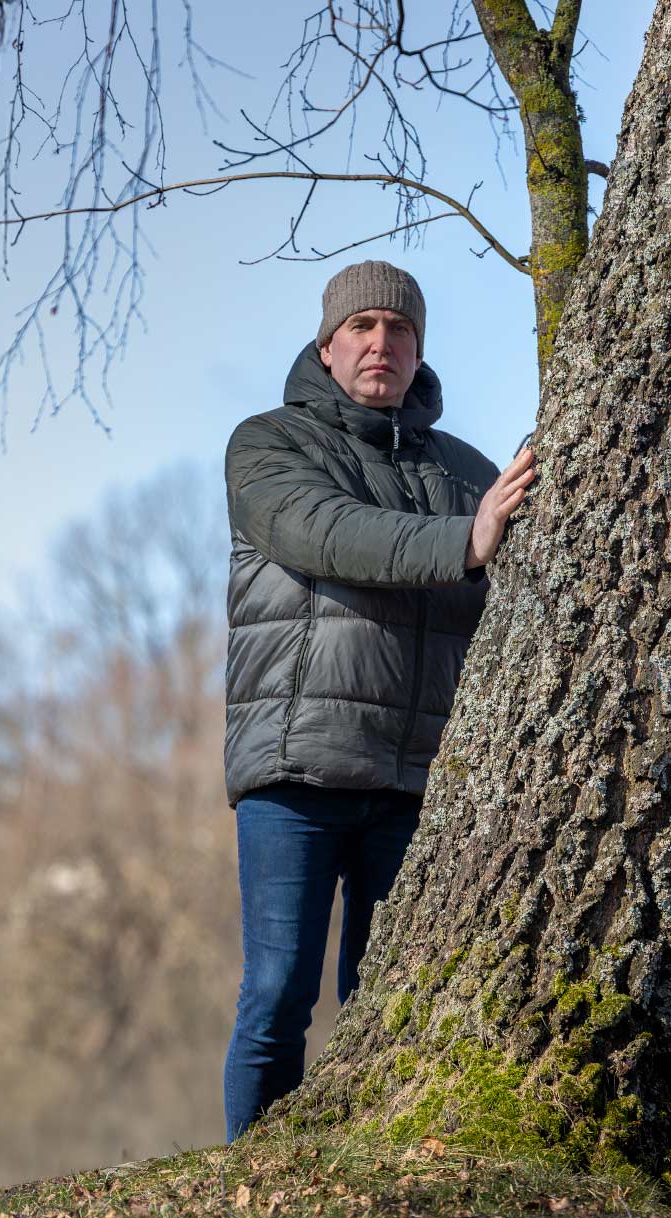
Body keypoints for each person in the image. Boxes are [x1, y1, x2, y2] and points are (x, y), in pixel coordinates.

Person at [219, 260, 537, 1141]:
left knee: (385, 998)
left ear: (419, 350)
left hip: (415, 781)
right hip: (298, 768)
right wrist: (468, 539)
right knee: (281, 987)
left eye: (398, 330)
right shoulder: (267, 446)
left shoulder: (467, 469)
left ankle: (354, 1176)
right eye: (360, 327)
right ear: (326, 347)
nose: (380, 343)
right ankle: (251, 1179)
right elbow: (330, 533)